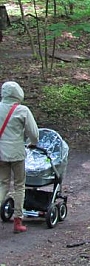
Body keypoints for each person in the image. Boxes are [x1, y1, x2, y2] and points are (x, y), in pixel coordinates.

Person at [0, 81, 39, 232]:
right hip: (16, 153)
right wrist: (32, 143)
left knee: (2, 183)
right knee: (19, 186)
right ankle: (17, 221)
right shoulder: (22, 110)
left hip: (0, 152)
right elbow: (34, 133)